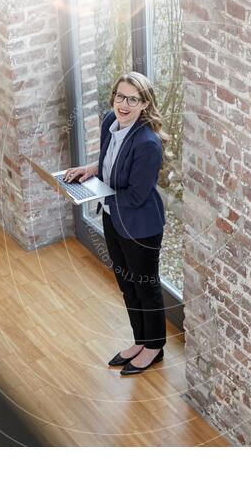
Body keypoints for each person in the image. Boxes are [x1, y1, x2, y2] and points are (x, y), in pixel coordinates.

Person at [63, 72, 169, 375]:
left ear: (144, 104)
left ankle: (154, 347)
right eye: (120, 96)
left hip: (141, 226)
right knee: (127, 284)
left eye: (132, 99)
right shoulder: (111, 121)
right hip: (114, 219)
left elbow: (136, 195)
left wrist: (90, 196)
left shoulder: (148, 143)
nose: (123, 104)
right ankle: (140, 340)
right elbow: (112, 161)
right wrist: (89, 170)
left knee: (146, 287)